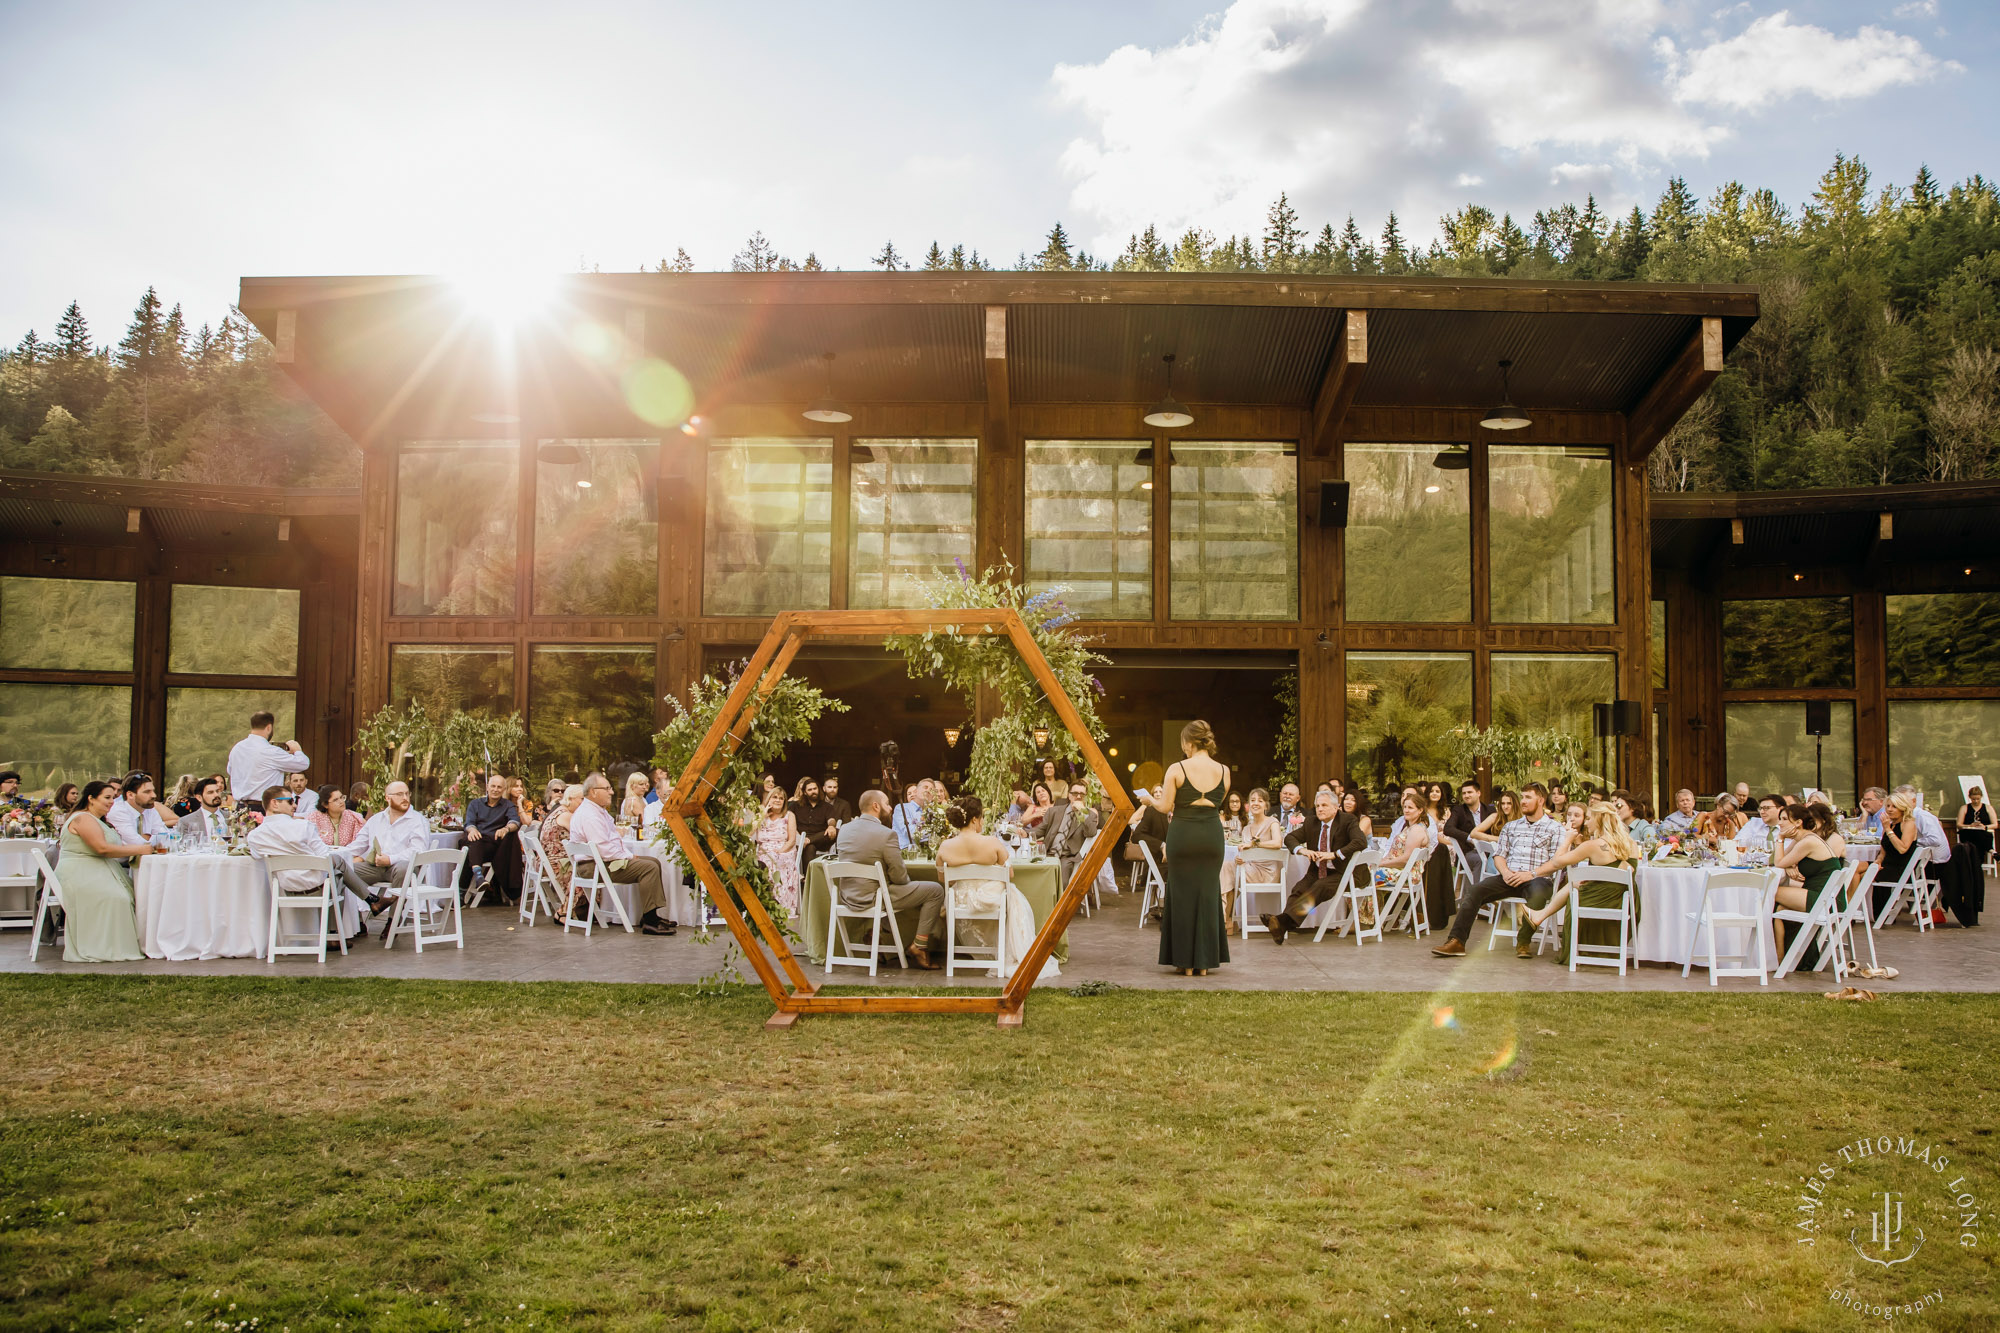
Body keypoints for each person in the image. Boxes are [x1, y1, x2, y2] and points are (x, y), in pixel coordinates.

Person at [1432, 781, 1565, 958]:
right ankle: (1456, 941)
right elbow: (1499, 855)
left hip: (1537, 878)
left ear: (1540, 800)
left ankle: (1523, 941)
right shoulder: (1511, 826)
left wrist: (1531, 874)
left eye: (1528, 797)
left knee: (1538, 894)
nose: (1523, 801)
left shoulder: (1555, 828)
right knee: (1475, 890)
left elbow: (1557, 862)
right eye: (1523, 797)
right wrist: (1505, 872)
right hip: (1509, 877)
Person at [1140, 720, 1229, 976]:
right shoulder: (1224, 770)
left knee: (1180, 895)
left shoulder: (1177, 768)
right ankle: (1205, 962)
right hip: (1211, 835)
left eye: (1183, 744)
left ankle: (1184, 961)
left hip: (1183, 833)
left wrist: (1149, 800)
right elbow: (1216, 802)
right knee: (1208, 893)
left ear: (1189, 743)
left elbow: (1166, 807)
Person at [833, 789, 946, 968]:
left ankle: (878, 935)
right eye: (887, 803)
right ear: (876, 806)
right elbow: (900, 877)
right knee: (935, 890)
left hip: (847, 896)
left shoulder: (844, 829)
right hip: (875, 898)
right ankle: (919, 945)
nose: (891, 807)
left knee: (890, 889)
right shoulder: (886, 834)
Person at [1522, 800, 1644, 963]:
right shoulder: (1631, 843)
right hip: (1627, 902)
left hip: (1601, 901)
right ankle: (1539, 916)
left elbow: (1557, 862)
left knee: (1574, 887)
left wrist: (1567, 840)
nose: (1586, 823)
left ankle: (1540, 916)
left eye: (1588, 818)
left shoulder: (1593, 845)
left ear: (1598, 819)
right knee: (1576, 884)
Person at [248, 785, 367, 943]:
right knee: (337, 870)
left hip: (285, 887)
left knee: (337, 867)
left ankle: (369, 902)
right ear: (274, 803)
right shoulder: (304, 826)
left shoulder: (254, 836)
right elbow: (324, 855)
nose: (295, 805)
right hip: (316, 886)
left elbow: (257, 856)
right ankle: (335, 934)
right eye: (290, 801)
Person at [54, 780, 149, 961]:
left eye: (113, 798)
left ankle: (131, 944)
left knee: (137, 893)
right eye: (106, 797)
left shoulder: (98, 821)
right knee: (117, 898)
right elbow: (102, 849)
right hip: (79, 872)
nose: (111, 802)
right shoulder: (82, 818)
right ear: (91, 799)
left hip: (97, 869)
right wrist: (140, 849)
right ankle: (104, 947)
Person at [1261, 787, 1366, 944]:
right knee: (1298, 889)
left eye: (1324, 805)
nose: (1320, 809)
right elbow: (1290, 838)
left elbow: (1360, 842)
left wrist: (1335, 854)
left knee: (1319, 887)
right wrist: (1302, 849)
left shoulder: (1347, 820)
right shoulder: (1312, 822)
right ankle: (1282, 925)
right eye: (1317, 806)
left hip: (1345, 872)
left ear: (1336, 807)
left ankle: (1281, 922)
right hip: (1318, 869)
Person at [574, 772, 676, 935]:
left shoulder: (597, 811)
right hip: (594, 867)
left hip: (600, 863)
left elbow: (612, 838)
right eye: (607, 788)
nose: (612, 792)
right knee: (648, 867)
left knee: (653, 861)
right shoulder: (590, 815)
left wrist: (627, 853)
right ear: (593, 791)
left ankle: (651, 915)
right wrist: (628, 856)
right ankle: (650, 922)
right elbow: (604, 849)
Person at [1767, 801, 1848, 961]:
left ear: (1798, 823)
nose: (1780, 823)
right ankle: (1782, 956)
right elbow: (1781, 860)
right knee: (1780, 907)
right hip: (1823, 895)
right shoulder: (1804, 838)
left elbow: (1778, 863)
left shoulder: (1809, 841)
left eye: (1784, 819)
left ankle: (1779, 955)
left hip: (1825, 899)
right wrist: (1789, 865)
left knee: (1769, 892)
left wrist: (1781, 838)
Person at [338, 779, 432, 906]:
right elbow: (357, 846)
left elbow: (418, 850)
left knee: (404, 868)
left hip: (401, 866)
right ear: (388, 798)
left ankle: (393, 921)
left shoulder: (417, 820)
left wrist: (391, 859)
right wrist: (333, 853)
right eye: (399, 794)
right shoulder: (376, 820)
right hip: (375, 867)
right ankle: (361, 917)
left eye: (407, 794)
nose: (405, 798)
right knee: (340, 873)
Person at [226, 711, 309, 810]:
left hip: (240, 807)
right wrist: (297, 750)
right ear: (269, 727)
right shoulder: (270, 751)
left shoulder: (237, 748)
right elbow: (302, 764)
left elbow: (230, 771)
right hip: (263, 807)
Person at [461, 773, 524, 903]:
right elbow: (469, 822)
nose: (495, 789)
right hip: (476, 840)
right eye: (493, 786)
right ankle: (478, 876)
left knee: (469, 849)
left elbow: (515, 822)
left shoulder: (508, 805)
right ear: (487, 787)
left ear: (504, 789)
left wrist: (506, 828)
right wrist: (472, 829)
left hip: (492, 846)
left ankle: (462, 892)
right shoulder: (475, 804)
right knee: (473, 840)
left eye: (499, 787)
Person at [1873, 791, 1921, 921]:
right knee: (1856, 871)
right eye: (1888, 806)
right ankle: (1860, 912)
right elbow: (1883, 851)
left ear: (1902, 808)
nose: (1889, 809)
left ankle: (1873, 913)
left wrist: (1888, 830)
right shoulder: (1889, 824)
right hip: (1887, 864)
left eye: (1894, 806)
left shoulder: (1908, 824)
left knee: (1861, 873)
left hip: (1900, 868)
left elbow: (1902, 849)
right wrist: (1878, 861)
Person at [538, 784, 585, 918]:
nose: (584, 803)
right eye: (581, 799)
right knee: (587, 872)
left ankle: (583, 911)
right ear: (570, 798)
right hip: (556, 863)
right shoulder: (566, 815)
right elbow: (583, 837)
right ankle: (564, 912)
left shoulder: (559, 810)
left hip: (547, 861)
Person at [1043, 781, 1100, 890]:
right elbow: (1041, 829)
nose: (1078, 797)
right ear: (1069, 795)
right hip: (1048, 853)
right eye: (1075, 794)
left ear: (1085, 797)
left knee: (1061, 881)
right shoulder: (1055, 811)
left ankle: (1061, 906)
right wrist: (1025, 832)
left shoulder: (1089, 815)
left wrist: (1082, 811)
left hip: (1068, 857)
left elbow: (1091, 832)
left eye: (1082, 794)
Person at [752, 788, 801, 915]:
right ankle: (766, 904)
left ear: (784, 801)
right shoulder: (760, 814)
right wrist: (762, 815)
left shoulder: (789, 815)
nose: (778, 800)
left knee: (772, 859)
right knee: (763, 861)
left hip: (784, 850)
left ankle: (780, 906)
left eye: (781, 798)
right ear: (769, 799)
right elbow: (749, 832)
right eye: (775, 797)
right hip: (764, 850)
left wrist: (780, 851)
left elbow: (791, 840)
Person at [106, 773, 175, 847]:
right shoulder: (118, 811)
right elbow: (137, 844)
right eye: (147, 792)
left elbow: (166, 838)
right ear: (130, 795)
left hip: (148, 857)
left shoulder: (149, 809)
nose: (154, 795)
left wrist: (147, 838)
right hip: (122, 858)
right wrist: (152, 839)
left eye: (153, 791)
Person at [789, 777, 838, 858]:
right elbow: (787, 820)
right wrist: (799, 838)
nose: (813, 791)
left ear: (818, 789)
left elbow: (831, 819)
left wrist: (831, 826)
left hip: (820, 838)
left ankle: (808, 841)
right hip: (801, 837)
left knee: (837, 830)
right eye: (810, 790)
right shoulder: (795, 805)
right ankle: (808, 871)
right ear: (805, 792)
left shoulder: (827, 806)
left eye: (815, 788)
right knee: (810, 848)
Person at [1444, 780, 1491, 856]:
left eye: (1469, 792)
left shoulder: (1489, 810)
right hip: (1469, 852)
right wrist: (1470, 838)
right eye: (1464, 793)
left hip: (1490, 851)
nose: (1466, 795)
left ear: (1478, 793)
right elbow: (1448, 828)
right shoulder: (1458, 810)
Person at [310, 785, 364, 851]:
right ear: (325, 805)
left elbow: (361, 843)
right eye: (335, 800)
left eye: (341, 797)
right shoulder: (314, 818)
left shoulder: (354, 817)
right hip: (322, 858)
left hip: (348, 857)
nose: (341, 801)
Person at [179, 776, 231, 843]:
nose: (216, 795)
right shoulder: (186, 822)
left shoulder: (230, 817)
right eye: (210, 792)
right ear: (199, 797)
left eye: (217, 791)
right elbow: (183, 848)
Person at [1957, 785, 1994, 867]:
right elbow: (1959, 824)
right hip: (1968, 833)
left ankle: (1976, 864)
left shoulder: (1988, 808)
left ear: (1981, 797)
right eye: (1974, 799)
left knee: (1980, 834)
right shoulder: (1964, 808)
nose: (1976, 801)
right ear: (1970, 797)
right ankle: (1990, 850)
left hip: (1983, 833)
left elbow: (1995, 824)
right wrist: (1970, 825)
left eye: (1978, 799)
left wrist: (1985, 827)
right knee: (1976, 835)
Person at [891, 783, 926, 849]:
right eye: (909, 794)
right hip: (906, 850)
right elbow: (910, 831)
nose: (912, 795)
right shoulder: (901, 808)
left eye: (915, 792)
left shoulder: (926, 810)